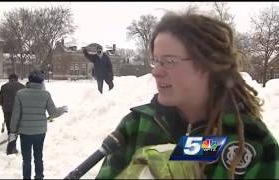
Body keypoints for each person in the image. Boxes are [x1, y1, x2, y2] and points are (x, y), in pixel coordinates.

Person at [96, 12, 279, 179]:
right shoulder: (135, 127)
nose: (156, 72)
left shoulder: (252, 142)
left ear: (207, 66)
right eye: (156, 61)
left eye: (169, 61)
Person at [9, 69, 68, 179]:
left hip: (25, 132)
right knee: (38, 156)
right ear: (41, 82)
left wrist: (12, 132)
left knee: (26, 159)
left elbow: (15, 115)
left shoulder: (20, 94)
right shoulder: (45, 95)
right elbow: (53, 113)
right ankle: (39, 177)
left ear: (29, 80)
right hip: (40, 132)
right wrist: (62, 109)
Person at [0, 73, 25, 154]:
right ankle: (12, 148)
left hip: (7, 111)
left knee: (10, 129)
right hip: (18, 111)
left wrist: (4, 106)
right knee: (16, 129)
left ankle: (11, 148)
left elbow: (0, 100)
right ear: (17, 79)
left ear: (9, 79)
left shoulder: (4, 86)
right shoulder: (22, 87)